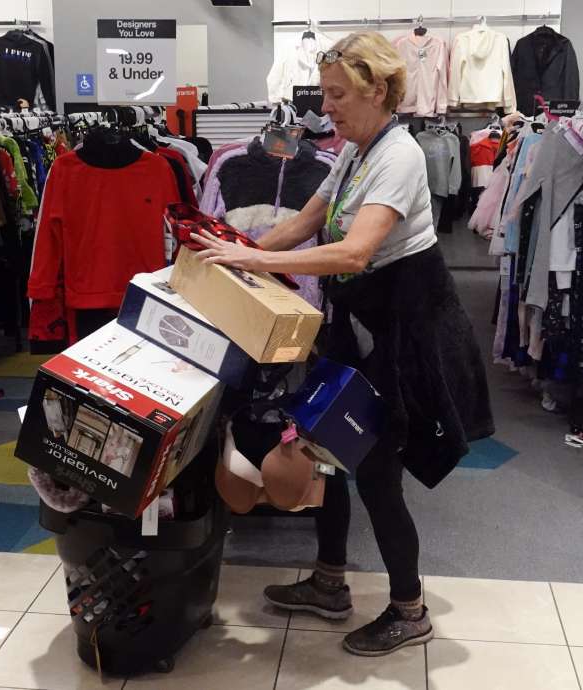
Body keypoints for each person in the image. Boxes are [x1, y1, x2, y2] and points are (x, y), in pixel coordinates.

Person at [193, 32, 494, 657]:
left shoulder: (400, 156)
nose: (325, 107)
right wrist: (238, 253)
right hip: (362, 324)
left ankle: (409, 610)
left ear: (377, 90)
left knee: (378, 471)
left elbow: (355, 251)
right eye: (325, 93)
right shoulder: (356, 151)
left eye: (337, 94)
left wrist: (252, 259)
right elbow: (307, 221)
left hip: (406, 333)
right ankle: (330, 582)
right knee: (327, 447)